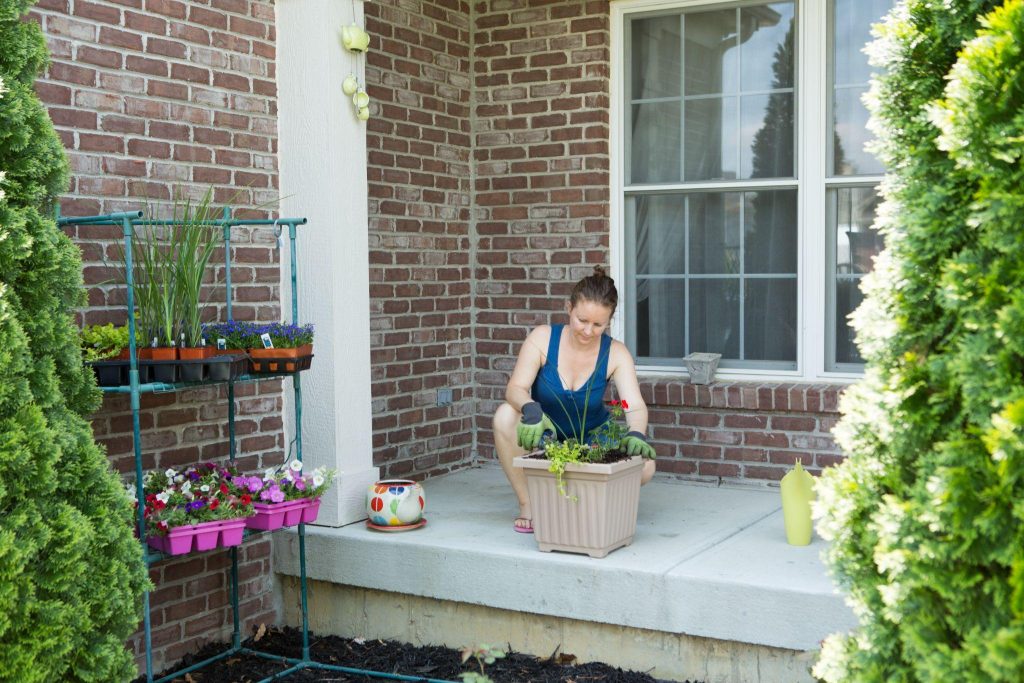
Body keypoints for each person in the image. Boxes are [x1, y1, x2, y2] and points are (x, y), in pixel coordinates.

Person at [492, 265, 657, 533]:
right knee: (504, 415)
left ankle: (582, 500)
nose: (588, 331)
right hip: (547, 438)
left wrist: (636, 433)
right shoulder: (543, 339)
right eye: (582, 320)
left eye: (598, 324)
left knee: (646, 467)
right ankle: (530, 504)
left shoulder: (616, 353)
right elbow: (515, 389)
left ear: (609, 321)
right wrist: (530, 409)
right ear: (569, 308)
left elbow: (632, 404)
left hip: (595, 442)